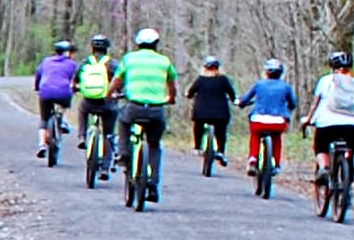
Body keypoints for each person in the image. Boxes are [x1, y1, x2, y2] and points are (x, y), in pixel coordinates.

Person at [116, 29, 177, 198]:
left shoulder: (129, 59)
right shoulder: (164, 61)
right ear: (156, 44)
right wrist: (170, 98)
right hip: (156, 110)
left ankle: (123, 154)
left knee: (123, 122)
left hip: (133, 106)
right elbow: (172, 84)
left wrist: (109, 94)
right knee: (154, 145)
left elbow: (117, 80)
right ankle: (153, 184)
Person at [308, 47, 354, 213]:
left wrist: (308, 119)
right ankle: (347, 187)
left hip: (328, 123)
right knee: (350, 154)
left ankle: (324, 169)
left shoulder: (326, 81)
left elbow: (316, 103)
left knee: (320, 146)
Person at [242, 56, 299, 191]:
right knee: (276, 138)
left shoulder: (259, 84)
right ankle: (276, 163)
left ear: (266, 72)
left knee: (255, 135)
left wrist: (241, 103)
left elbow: (245, 99)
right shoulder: (285, 87)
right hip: (278, 121)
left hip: (258, 120)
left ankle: (253, 158)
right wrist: (288, 109)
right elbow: (293, 103)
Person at [73, 35, 121, 173]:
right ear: (107, 48)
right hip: (108, 104)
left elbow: (76, 79)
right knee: (108, 134)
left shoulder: (85, 62)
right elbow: (120, 81)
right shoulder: (112, 64)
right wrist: (119, 93)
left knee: (82, 109)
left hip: (89, 102)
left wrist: (75, 88)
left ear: (92, 47)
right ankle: (105, 168)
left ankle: (82, 136)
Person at [186, 53, 236, 173]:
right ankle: (221, 151)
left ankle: (197, 147)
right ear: (218, 68)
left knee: (198, 126)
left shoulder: (200, 80)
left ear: (204, 68)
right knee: (221, 132)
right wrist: (235, 100)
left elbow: (190, 93)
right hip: (220, 113)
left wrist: (188, 95)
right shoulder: (223, 80)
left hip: (201, 113)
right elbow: (232, 94)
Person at [32, 41, 79, 158]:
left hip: (45, 91)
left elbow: (38, 74)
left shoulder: (46, 61)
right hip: (63, 92)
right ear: (67, 53)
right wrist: (76, 88)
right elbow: (76, 79)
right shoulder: (72, 64)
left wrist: (37, 88)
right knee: (65, 103)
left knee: (44, 119)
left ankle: (42, 144)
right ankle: (61, 119)